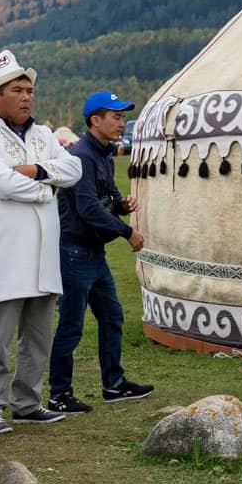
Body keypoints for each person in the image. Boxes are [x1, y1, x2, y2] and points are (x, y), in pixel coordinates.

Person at [0, 49, 82, 434]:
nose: (27, 96)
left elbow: (74, 168)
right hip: (5, 253)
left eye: (30, 89)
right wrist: (44, 190)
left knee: (37, 335)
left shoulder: (45, 135)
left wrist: (35, 170)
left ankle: (28, 402)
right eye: (17, 89)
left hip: (43, 254)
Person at [48, 91, 152, 413]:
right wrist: (127, 231)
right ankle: (59, 394)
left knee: (112, 316)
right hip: (75, 252)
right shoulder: (81, 156)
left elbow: (106, 195)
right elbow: (88, 208)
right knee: (71, 324)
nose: (121, 123)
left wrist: (121, 205)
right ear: (96, 120)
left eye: (122, 117)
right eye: (116, 116)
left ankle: (113, 384)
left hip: (93, 252)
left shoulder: (104, 154)